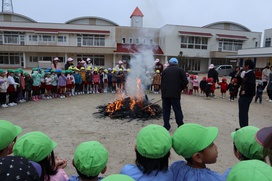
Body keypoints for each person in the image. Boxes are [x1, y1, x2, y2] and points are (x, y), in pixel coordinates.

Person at [161, 57, 188, 130]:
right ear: (177, 63)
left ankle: (166, 125)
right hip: (175, 94)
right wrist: (180, 88)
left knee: (166, 110)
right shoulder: (180, 70)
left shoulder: (165, 71)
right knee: (177, 109)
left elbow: (162, 82)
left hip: (165, 94)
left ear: (169, 63)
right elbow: (185, 81)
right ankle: (180, 125)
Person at [238, 59, 256, 128]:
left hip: (246, 95)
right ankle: (243, 126)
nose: (242, 66)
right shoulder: (246, 73)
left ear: (247, 66)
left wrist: (244, 92)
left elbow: (250, 85)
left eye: (244, 65)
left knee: (243, 112)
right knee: (242, 111)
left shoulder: (250, 74)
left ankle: (244, 127)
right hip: (244, 95)